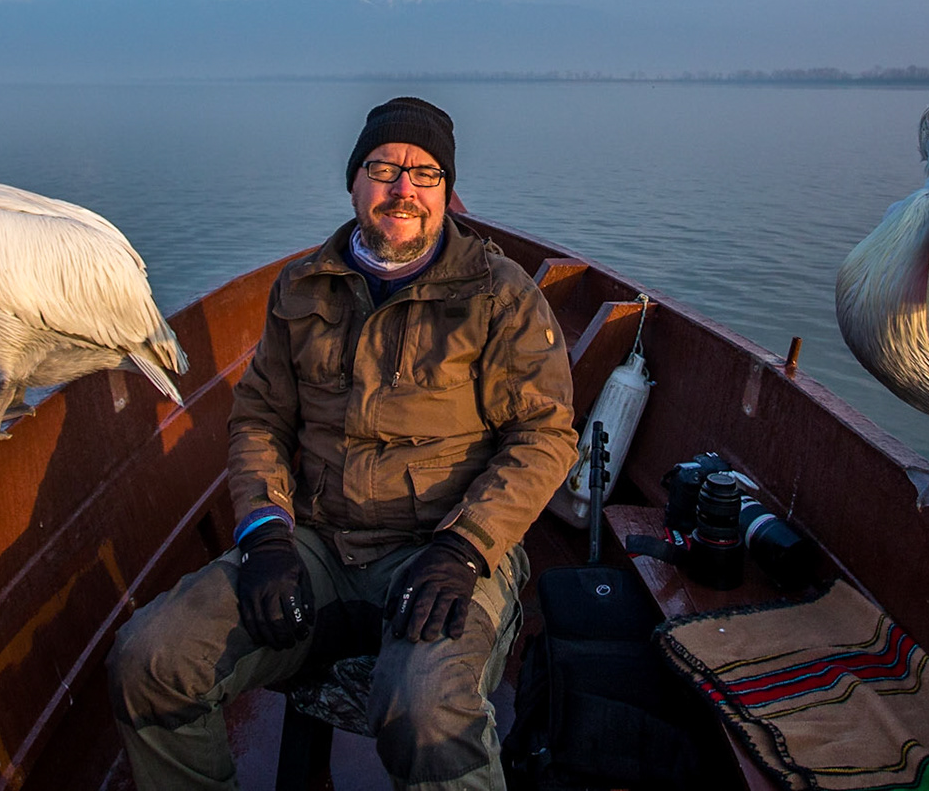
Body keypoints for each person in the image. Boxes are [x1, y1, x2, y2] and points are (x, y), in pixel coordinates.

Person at [110, 96, 578, 790]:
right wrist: (266, 535)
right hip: (321, 544)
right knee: (150, 658)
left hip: (444, 550)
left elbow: (543, 438)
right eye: (383, 168)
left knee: (426, 711)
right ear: (354, 182)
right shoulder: (302, 290)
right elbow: (260, 420)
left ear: (448, 192)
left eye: (425, 175)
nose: (403, 191)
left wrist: (465, 547)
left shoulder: (500, 296)